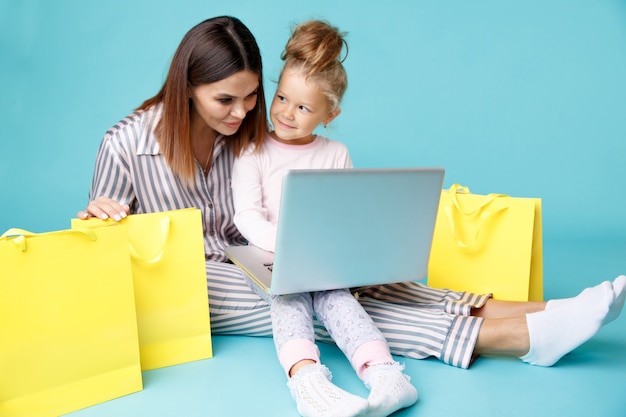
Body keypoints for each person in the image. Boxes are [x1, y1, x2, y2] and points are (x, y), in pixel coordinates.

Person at [78, 14, 626, 417]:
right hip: (192, 281)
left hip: (256, 251)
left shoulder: (244, 128)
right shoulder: (125, 144)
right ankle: (514, 338)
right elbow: (95, 246)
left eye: (251, 97)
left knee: (364, 282)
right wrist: (98, 215)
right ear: (186, 87)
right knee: (317, 298)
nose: (244, 112)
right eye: (226, 100)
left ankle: (546, 311)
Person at [231, 20, 418, 417]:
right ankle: (307, 380)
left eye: (303, 108)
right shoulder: (252, 150)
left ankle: (385, 373)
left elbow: (343, 214)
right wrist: (285, 245)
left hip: (320, 256)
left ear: (329, 115)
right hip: (271, 255)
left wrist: (339, 251)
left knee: (338, 299)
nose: (286, 113)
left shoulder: (336, 153)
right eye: (281, 98)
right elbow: (246, 215)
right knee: (289, 299)